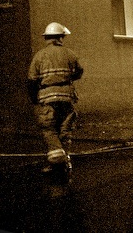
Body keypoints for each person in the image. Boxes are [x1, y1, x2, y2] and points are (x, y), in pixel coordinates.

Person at [27, 22, 83, 175]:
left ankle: (56, 162)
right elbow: (78, 73)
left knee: (49, 129)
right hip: (67, 98)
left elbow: (32, 80)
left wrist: (34, 99)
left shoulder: (39, 56)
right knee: (65, 130)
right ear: (60, 38)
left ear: (47, 38)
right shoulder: (70, 54)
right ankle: (64, 161)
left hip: (47, 98)